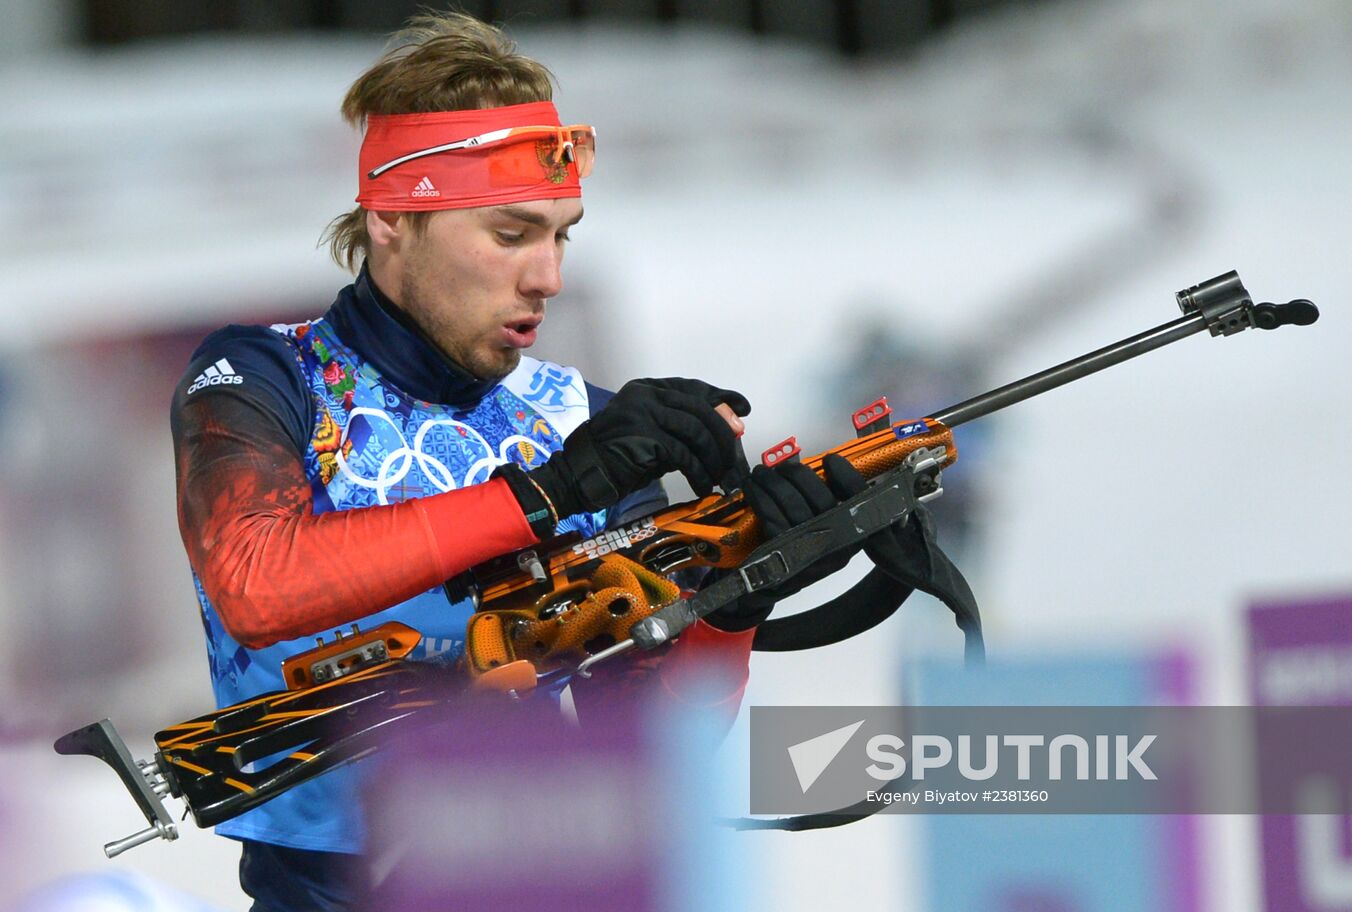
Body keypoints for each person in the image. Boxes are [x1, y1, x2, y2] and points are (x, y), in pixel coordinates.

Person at [169, 12, 864, 911]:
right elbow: (257, 582)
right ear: (389, 219)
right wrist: (545, 496)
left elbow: (650, 737)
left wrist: (740, 591)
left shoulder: (583, 420)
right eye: (510, 234)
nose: (549, 276)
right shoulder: (263, 377)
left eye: (562, 234)